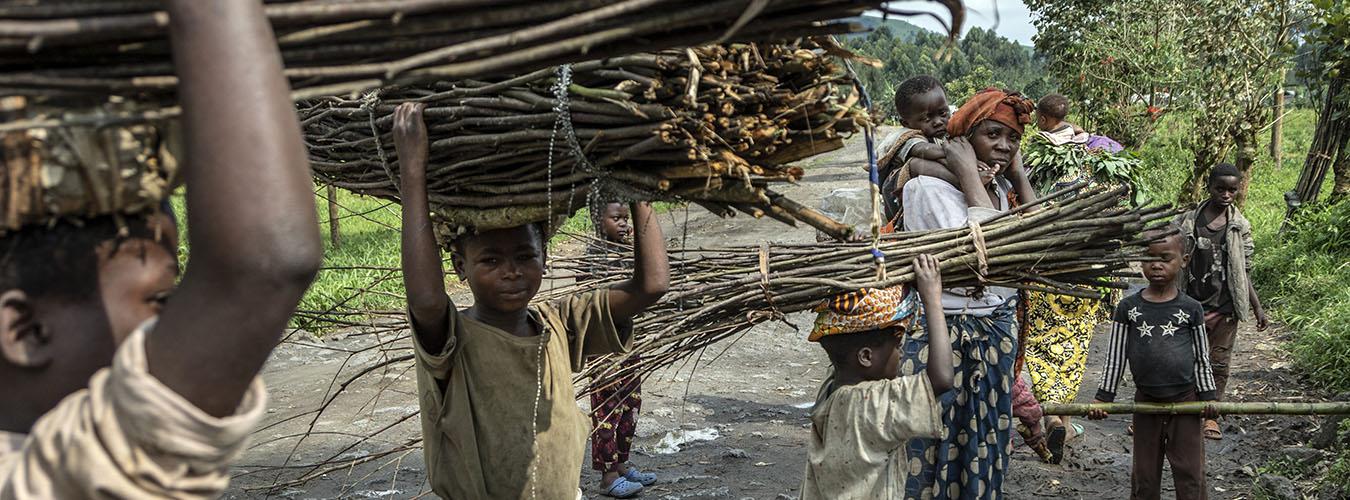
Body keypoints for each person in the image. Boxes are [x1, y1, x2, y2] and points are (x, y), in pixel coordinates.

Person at [0, 1, 323, 497]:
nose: (181, 323)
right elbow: (264, 266)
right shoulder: (58, 482)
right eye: (159, 300)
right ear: (26, 330)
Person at [394, 102, 670, 499]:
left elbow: (652, 287)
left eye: (526, 256)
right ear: (459, 266)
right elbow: (425, 298)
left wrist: (639, 191)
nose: (512, 271)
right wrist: (412, 171)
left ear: (544, 255)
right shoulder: (453, 338)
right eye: (490, 260)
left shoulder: (561, 323)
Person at [899, 88, 1038, 499]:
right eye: (993, 134)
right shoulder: (926, 186)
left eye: (1012, 139)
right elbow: (987, 255)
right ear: (964, 137)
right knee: (930, 447)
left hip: (992, 339)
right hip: (940, 338)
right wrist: (967, 175)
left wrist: (1020, 176)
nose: (1003, 146)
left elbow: (1037, 245)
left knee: (983, 446)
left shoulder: (994, 189)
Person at [801, 255, 954, 499]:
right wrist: (933, 299)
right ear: (865, 357)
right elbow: (942, 379)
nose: (902, 352)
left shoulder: (832, 390)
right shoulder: (871, 405)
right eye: (897, 345)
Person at [1089, 230, 1220, 500]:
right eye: (1148, 258)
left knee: (1190, 473)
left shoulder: (1191, 308)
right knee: (1145, 476)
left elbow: (1201, 356)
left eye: (1165, 258)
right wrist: (1104, 398)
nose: (1156, 264)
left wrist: (1208, 397)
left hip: (1186, 402)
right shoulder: (1128, 308)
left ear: (1183, 260)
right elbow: (1115, 355)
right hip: (1145, 403)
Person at [1175, 163, 1268, 440]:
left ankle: (1210, 416)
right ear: (1209, 186)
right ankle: (1173, 412)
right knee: (1182, 360)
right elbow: (1171, 258)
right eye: (1220, 188)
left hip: (1225, 306)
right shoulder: (1188, 221)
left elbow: (1244, 271)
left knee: (1218, 363)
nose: (1226, 194)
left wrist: (1256, 306)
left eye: (1232, 189)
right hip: (1189, 305)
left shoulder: (1239, 226)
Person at [585, 202, 658, 498]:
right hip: (605, 348)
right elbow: (594, 304)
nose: (625, 225)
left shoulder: (625, 252)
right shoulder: (592, 259)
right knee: (607, 412)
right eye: (617, 219)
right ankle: (608, 476)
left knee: (631, 407)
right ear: (597, 220)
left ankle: (624, 463)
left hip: (628, 345)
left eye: (626, 219)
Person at [877, 75, 951, 222]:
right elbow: (922, 149)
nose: (938, 122)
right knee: (917, 163)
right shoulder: (905, 136)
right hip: (895, 198)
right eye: (926, 118)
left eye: (943, 113)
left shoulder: (938, 135)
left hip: (925, 199)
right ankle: (961, 181)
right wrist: (957, 156)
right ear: (906, 122)